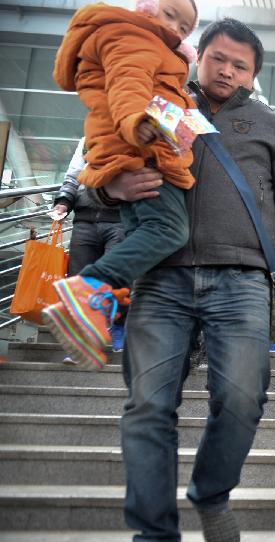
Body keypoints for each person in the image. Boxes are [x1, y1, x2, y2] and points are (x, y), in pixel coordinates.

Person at [88, 18, 275, 542]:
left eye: (240, 65)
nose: (226, 71)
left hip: (241, 279)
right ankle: (154, 537)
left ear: (254, 74)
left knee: (242, 398)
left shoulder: (271, 126)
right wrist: (106, 187)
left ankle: (212, 494)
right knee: (147, 406)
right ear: (198, 56)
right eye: (218, 58)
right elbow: (99, 164)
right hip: (160, 279)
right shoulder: (157, 105)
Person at [44, 0, 201, 370]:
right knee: (168, 229)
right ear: (145, 7)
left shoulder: (148, 43)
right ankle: (89, 286)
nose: (176, 28)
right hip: (140, 151)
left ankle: (92, 312)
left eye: (185, 26)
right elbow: (127, 82)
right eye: (170, 14)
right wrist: (137, 121)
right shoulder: (136, 36)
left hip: (140, 151)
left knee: (147, 232)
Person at [50, 138, 127, 354]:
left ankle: (119, 325)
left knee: (116, 278)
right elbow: (73, 175)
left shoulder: (134, 136)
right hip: (85, 219)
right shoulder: (87, 139)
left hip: (120, 219)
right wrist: (64, 201)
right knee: (79, 280)